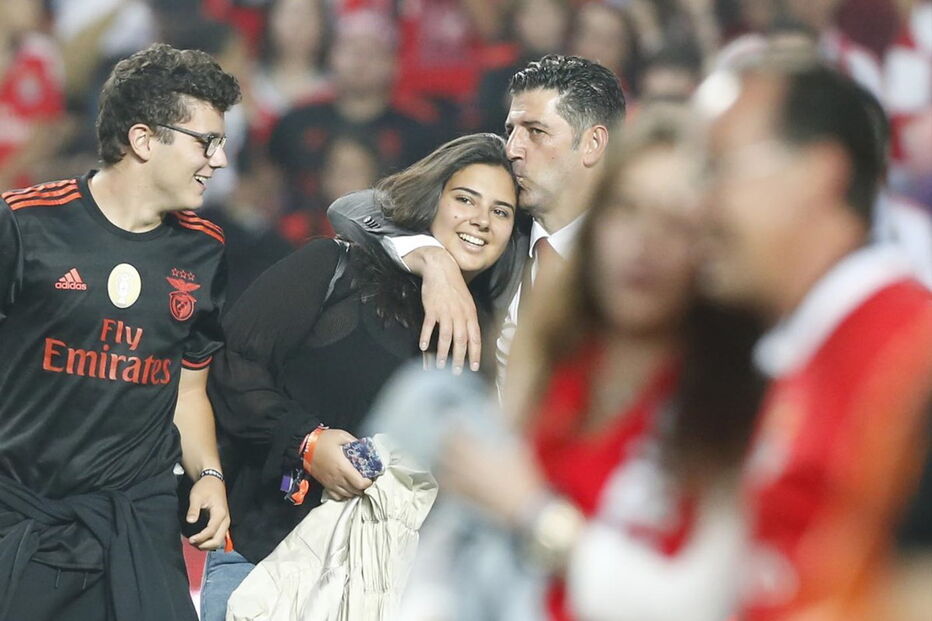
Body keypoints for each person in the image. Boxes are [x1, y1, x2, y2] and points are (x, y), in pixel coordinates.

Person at [409, 108, 763, 621]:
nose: (644, 242)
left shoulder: (732, 399)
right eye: (627, 210)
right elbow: (448, 561)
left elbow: (702, 603)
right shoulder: (553, 352)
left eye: (676, 221)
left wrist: (536, 516)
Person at [200, 133, 520, 621]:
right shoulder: (337, 268)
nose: (481, 219)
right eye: (465, 199)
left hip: (391, 593)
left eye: (501, 211)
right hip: (263, 562)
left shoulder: (488, 338)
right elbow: (231, 368)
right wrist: (307, 441)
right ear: (433, 200)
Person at [0, 43, 240, 621]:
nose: (221, 160)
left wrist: (208, 473)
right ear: (143, 139)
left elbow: (187, 389)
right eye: (206, 142)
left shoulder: (204, 250)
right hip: (22, 514)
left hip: (135, 520)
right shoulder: (24, 225)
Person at [697, 56, 932, 620]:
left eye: (719, 169)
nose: (699, 205)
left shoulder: (913, 358)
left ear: (818, 173)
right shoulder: (784, 354)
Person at [329, 53, 625, 380]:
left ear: (592, 143)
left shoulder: (631, 258)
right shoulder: (498, 232)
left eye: (536, 131)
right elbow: (353, 208)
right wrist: (433, 260)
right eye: (511, 130)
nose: (512, 148)